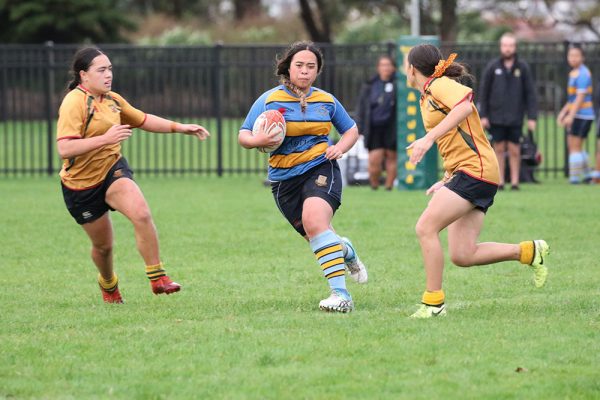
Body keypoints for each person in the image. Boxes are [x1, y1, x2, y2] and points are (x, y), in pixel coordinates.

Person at [404, 44, 549, 319]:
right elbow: (458, 137)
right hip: (470, 171)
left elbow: (466, 105)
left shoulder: (438, 85)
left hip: (475, 170)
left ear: (412, 69)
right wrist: (446, 179)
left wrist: (428, 138)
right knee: (463, 254)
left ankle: (433, 303)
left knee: (425, 228)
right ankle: (529, 251)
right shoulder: (427, 96)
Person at [57, 47, 210, 303]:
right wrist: (105, 138)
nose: (108, 75)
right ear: (84, 75)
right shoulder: (75, 102)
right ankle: (108, 283)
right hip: (80, 185)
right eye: (101, 70)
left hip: (111, 169)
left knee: (141, 213)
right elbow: (65, 147)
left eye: (110, 69)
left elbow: (143, 119)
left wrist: (180, 127)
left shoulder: (112, 99)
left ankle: (157, 277)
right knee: (104, 248)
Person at [238, 41, 367, 313]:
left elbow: (351, 129)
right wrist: (257, 139)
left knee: (315, 222)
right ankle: (345, 250)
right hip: (284, 180)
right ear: (288, 67)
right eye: (299, 65)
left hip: (321, 167)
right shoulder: (269, 99)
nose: (305, 71)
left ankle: (341, 295)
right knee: (316, 236)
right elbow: (244, 134)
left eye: (311, 66)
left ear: (318, 71)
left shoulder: (326, 100)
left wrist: (339, 148)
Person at [478, 32, 538, 190]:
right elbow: (484, 92)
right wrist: (483, 115)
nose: (508, 49)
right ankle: (500, 181)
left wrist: (532, 117)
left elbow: (530, 93)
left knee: (514, 149)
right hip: (496, 116)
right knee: (498, 148)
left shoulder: (522, 67)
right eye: (505, 45)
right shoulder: (493, 67)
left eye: (511, 45)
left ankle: (515, 182)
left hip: (516, 116)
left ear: (515, 47)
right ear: (501, 47)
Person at [355, 55, 398, 190]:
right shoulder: (370, 85)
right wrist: (359, 127)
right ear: (378, 67)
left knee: (392, 157)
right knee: (375, 159)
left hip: (392, 127)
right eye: (383, 65)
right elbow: (361, 107)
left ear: (393, 67)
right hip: (373, 127)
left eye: (388, 65)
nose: (386, 68)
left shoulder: (399, 84)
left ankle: (389, 187)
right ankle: (374, 185)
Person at [557, 44, 596, 184]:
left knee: (574, 146)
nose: (573, 58)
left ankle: (574, 178)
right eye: (571, 55)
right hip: (578, 114)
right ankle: (587, 174)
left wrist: (571, 116)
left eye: (576, 55)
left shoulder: (583, 74)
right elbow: (572, 99)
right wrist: (563, 113)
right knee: (575, 146)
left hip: (583, 115)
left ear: (582, 57)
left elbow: (580, 98)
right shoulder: (573, 73)